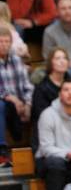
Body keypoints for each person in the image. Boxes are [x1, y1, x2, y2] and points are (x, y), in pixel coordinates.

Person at [0, 24, 32, 166]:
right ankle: (2, 150)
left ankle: (37, 149)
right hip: (5, 104)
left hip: (20, 104)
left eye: (7, 41)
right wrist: (10, 98)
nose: (4, 45)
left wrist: (27, 104)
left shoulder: (17, 60)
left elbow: (27, 86)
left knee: (39, 99)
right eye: (0, 41)